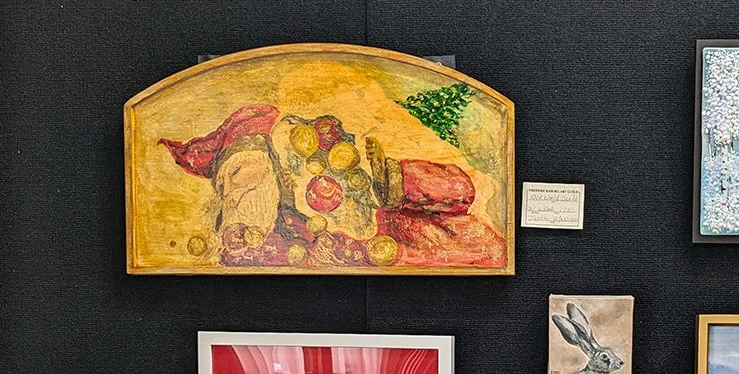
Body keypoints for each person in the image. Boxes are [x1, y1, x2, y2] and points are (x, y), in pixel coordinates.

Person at [159, 105, 506, 269]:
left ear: (277, 177)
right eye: (225, 185)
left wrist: (393, 180)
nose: (237, 192)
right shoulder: (244, 251)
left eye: (242, 172)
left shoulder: (338, 206)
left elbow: (463, 191)